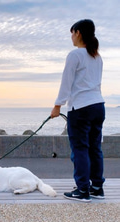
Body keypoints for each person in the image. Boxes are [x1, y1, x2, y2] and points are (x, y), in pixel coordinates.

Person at [51, 19, 105, 202]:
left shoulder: (75, 55)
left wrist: (57, 105)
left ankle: (83, 190)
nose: (71, 38)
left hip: (81, 108)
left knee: (80, 149)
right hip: (98, 106)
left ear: (79, 33)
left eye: (72, 33)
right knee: (95, 148)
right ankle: (97, 187)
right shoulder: (97, 56)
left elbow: (66, 83)